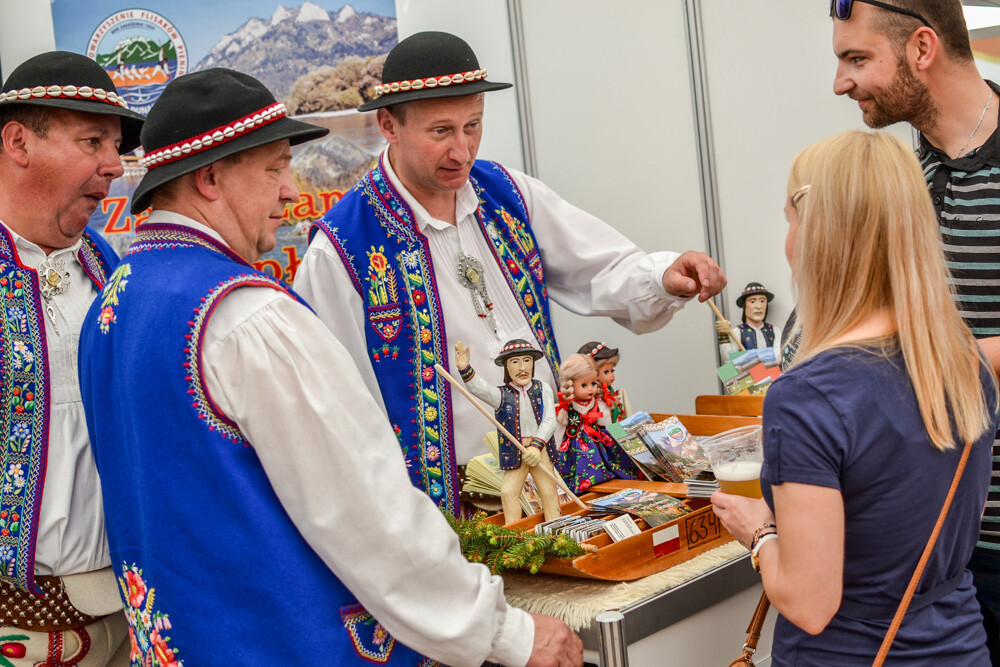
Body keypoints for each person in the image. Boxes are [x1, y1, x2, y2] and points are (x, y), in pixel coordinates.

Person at [77, 68, 582, 667]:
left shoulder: (117, 296)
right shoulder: (248, 317)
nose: (291, 192)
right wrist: (508, 634)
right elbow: (365, 510)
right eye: (273, 169)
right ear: (211, 179)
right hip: (286, 645)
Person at [294, 31, 727, 516]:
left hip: (558, 475)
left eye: (473, 125)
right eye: (441, 132)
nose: (462, 150)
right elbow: (335, 411)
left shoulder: (506, 192)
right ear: (388, 125)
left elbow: (599, 266)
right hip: (449, 514)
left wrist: (662, 276)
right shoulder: (342, 249)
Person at [712, 130, 999, 664]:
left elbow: (809, 602)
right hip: (960, 645)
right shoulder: (967, 364)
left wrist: (757, 533)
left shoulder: (806, 397)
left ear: (820, 235)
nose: (788, 239)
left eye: (790, 219)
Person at [831, 0, 1000, 658]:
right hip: (933, 546)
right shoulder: (907, 167)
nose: (840, 83)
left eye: (857, 59)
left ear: (922, 49)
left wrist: (940, 364)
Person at [0, 51, 145, 665]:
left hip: (133, 621)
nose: (114, 165)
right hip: (19, 633)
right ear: (17, 142)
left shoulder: (111, 269)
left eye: (114, 145)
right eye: (92, 141)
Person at [455, 338, 560, 524]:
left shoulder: (543, 388)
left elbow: (550, 421)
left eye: (527, 360)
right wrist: (464, 368)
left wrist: (536, 446)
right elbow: (479, 389)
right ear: (506, 366)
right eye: (515, 362)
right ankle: (513, 532)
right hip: (516, 451)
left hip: (540, 449)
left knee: (548, 491)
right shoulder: (501, 395)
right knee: (508, 492)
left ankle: (556, 530)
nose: (522, 367)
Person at [552, 353, 642, 494]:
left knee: (617, 460)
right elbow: (558, 431)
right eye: (584, 385)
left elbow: (608, 425)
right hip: (575, 446)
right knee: (582, 459)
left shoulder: (599, 403)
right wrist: (555, 452)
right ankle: (586, 488)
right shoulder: (566, 408)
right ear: (570, 384)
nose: (591, 389)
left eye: (593, 383)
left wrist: (623, 438)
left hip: (598, 440)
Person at [715, 282, 782, 358]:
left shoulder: (775, 331)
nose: (758, 306)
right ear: (744, 305)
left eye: (762, 301)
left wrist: (748, 359)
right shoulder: (738, 332)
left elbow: (778, 356)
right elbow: (728, 358)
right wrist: (724, 336)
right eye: (752, 301)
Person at [577, 341, 629, 423]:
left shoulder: (611, 394)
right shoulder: (592, 401)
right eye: (606, 372)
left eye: (612, 370)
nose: (612, 375)